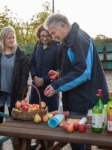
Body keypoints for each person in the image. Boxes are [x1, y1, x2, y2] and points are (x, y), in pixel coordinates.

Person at [43, 13, 109, 150]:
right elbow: (74, 68)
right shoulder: (68, 41)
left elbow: (83, 73)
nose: (53, 37)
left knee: (76, 139)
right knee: (74, 137)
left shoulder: (79, 39)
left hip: (81, 97)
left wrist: (57, 85)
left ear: (63, 25)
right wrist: (60, 74)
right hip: (74, 96)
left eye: (53, 33)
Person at [0, 26, 29, 126]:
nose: (12, 40)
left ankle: (14, 141)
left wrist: (22, 93)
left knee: (13, 119)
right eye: (9, 38)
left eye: (13, 37)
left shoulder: (20, 55)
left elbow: (24, 76)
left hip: (13, 92)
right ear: (3, 39)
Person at [29, 24, 61, 112]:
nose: (44, 38)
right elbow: (32, 63)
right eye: (42, 36)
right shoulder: (37, 45)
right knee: (33, 115)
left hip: (50, 89)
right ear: (39, 35)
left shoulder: (57, 47)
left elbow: (59, 69)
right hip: (36, 89)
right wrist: (35, 77)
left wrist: (44, 79)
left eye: (47, 36)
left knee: (50, 117)